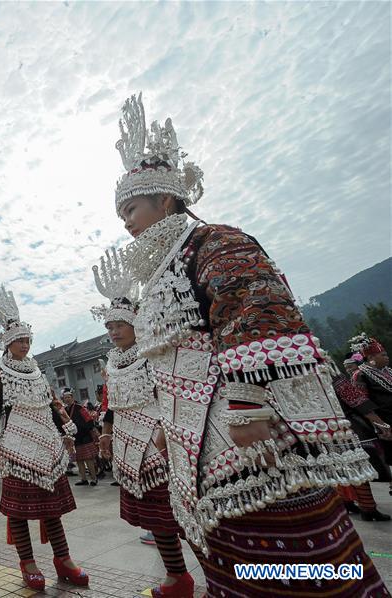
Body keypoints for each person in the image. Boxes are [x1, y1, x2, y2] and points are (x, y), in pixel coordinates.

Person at [105, 93, 385, 596]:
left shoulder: (214, 242)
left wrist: (246, 405)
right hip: (197, 447)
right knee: (230, 560)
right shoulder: (161, 273)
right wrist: (171, 425)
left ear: (165, 200)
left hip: (244, 435)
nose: (126, 222)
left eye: (132, 208)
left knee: (298, 558)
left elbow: (257, 312)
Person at [0, 281, 88, 591]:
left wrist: (66, 429)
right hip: (16, 450)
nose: (24, 344)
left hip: (47, 447)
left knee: (52, 509)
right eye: (19, 340)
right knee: (20, 512)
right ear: (7, 343)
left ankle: (63, 558)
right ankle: (28, 562)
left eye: (27, 339)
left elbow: (52, 403)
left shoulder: (37, 372)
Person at [91, 262, 195, 597]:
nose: (115, 331)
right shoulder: (113, 362)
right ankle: (176, 576)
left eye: (121, 325)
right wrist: (106, 433)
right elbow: (110, 403)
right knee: (156, 519)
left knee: (184, 515)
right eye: (111, 326)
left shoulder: (153, 353)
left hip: (161, 441)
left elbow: (172, 391)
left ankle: (215, 574)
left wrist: (167, 427)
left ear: (136, 324)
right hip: (126, 441)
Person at [331, 353, 390, 520]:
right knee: (358, 466)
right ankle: (367, 508)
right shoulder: (330, 373)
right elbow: (355, 399)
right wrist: (379, 422)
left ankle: (348, 502)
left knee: (343, 467)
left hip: (322, 430)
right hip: (346, 426)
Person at [351, 334, 392, 499]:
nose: (387, 357)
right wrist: (380, 424)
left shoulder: (388, 372)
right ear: (371, 357)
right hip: (382, 422)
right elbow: (362, 403)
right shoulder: (360, 375)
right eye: (383, 355)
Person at [61, 388, 99, 486]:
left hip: (84, 436)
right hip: (74, 438)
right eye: (65, 398)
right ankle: (83, 479)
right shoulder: (64, 410)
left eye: (69, 397)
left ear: (72, 397)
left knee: (88, 459)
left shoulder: (80, 408)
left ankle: (94, 479)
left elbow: (89, 420)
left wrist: (85, 429)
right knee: (79, 460)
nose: (67, 399)